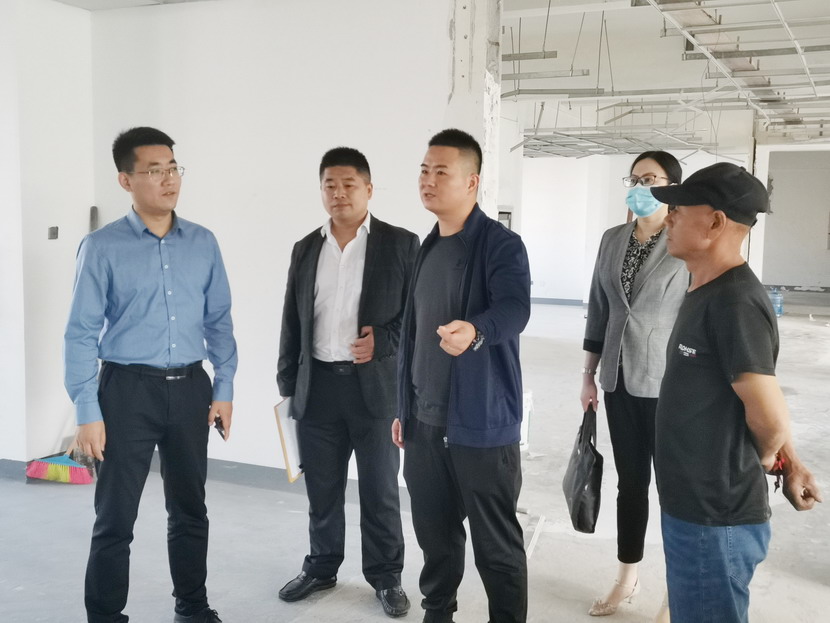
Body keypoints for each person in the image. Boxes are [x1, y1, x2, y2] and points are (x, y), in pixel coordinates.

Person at [65, 127, 237, 623]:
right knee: (115, 517)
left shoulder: (203, 242)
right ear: (126, 180)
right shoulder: (101, 247)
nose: (169, 179)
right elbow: (80, 333)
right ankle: (105, 616)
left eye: (173, 168)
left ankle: (193, 607)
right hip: (126, 392)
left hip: (191, 389)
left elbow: (219, 321)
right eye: (155, 170)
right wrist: (87, 411)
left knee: (190, 510)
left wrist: (224, 387)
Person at [650, 162, 823, 623]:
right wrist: (791, 462)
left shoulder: (735, 302)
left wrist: (766, 459)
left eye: (678, 209)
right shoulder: (705, 290)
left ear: (715, 222)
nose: (668, 218)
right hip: (694, 506)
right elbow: (747, 398)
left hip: (715, 516)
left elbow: (769, 417)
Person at [392, 129, 531, 623]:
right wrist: (404, 408)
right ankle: (438, 614)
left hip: (482, 426)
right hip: (425, 424)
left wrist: (476, 330)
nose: (428, 181)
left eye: (441, 172)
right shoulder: (425, 248)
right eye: (423, 171)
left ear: (471, 182)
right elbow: (411, 334)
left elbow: (515, 309)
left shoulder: (501, 245)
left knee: (496, 547)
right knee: (435, 538)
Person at [277, 147, 418, 618]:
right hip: (317, 388)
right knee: (322, 489)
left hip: (375, 391)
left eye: (348, 185)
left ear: (369, 189)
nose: (338, 193)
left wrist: (384, 340)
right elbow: (292, 320)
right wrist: (287, 385)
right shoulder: (305, 248)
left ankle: (387, 577)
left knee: (380, 490)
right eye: (329, 186)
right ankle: (321, 567)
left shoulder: (401, 244)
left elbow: (418, 316)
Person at [581, 151, 687, 618]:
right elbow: (599, 309)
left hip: (668, 384)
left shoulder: (685, 238)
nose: (640, 187)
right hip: (617, 379)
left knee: (673, 489)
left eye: (650, 179)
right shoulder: (613, 239)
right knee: (630, 484)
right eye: (634, 179)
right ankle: (627, 577)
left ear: (671, 187)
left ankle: (676, 591)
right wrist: (588, 374)